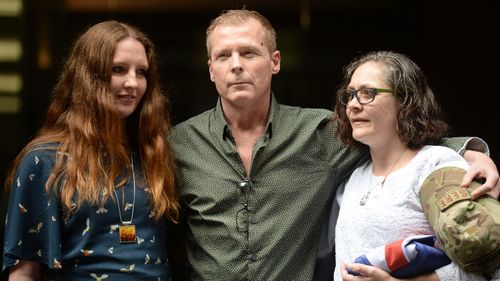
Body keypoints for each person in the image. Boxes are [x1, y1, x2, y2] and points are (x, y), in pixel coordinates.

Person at [168, 10, 499, 280]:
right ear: (211, 70)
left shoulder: (318, 132)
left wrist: (469, 152)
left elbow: (395, 135)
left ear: (275, 62)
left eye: (249, 53)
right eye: (223, 55)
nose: (236, 64)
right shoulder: (180, 143)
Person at [1, 21, 178, 280]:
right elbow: (24, 272)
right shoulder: (44, 159)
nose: (133, 83)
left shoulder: (152, 151)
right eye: (118, 69)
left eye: (141, 72)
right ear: (89, 77)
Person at [325, 51, 496, 280]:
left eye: (368, 93)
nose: (354, 104)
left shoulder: (435, 165)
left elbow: (487, 267)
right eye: (351, 94)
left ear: (404, 101)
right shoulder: (351, 180)